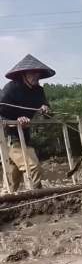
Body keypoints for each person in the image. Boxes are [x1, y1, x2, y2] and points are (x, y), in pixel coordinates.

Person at [0, 54, 55, 192]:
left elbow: (49, 114)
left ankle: (6, 201)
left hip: (24, 136)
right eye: (33, 73)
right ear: (24, 74)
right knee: (33, 167)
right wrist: (15, 122)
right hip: (8, 137)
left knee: (13, 178)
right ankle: (39, 199)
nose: (36, 76)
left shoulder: (39, 91)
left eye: (38, 73)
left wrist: (45, 109)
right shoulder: (10, 89)